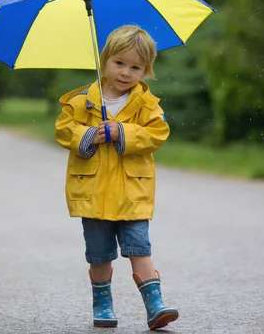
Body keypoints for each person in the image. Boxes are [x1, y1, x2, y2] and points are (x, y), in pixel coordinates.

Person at [55, 25, 178, 330]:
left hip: (131, 193)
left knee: (140, 248)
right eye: (119, 63)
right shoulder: (82, 101)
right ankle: (103, 304)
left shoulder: (147, 105)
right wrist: (88, 135)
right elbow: (63, 129)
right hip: (94, 192)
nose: (125, 72)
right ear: (105, 60)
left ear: (146, 70)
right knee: (99, 255)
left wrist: (123, 131)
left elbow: (157, 133)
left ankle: (155, 305)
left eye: (135, 67)